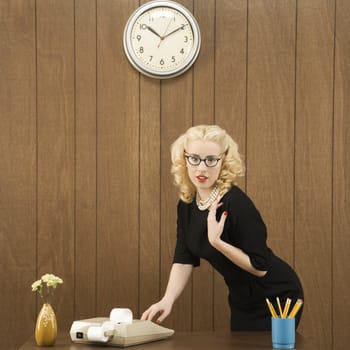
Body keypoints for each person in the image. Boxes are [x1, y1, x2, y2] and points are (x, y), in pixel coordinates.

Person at [141, 124, 303, 331]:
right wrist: (168, 299)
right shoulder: (187, 203)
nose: (202, 168)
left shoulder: (236, 203)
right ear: (184, 159)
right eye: (194, 158)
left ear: (223, 161)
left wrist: (217, 242)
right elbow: (183, 259)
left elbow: (260, 267)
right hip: (241, 297)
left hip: (277, 295)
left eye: (211, 160)